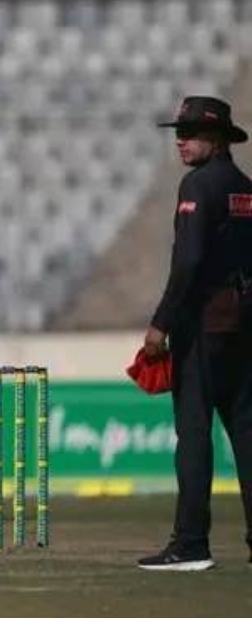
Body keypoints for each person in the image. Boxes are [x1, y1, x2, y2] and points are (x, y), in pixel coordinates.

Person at [138, 96, 252, 571]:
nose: (180, 141)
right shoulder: (245, 188)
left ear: (218, 138)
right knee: (246, 432)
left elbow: (188, 262)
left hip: (203, 326)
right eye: (178, 133)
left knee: (193, 433)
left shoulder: (198, 185)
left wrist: (161, 323)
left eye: (189, 133)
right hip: (243, 326)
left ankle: (190, 544)